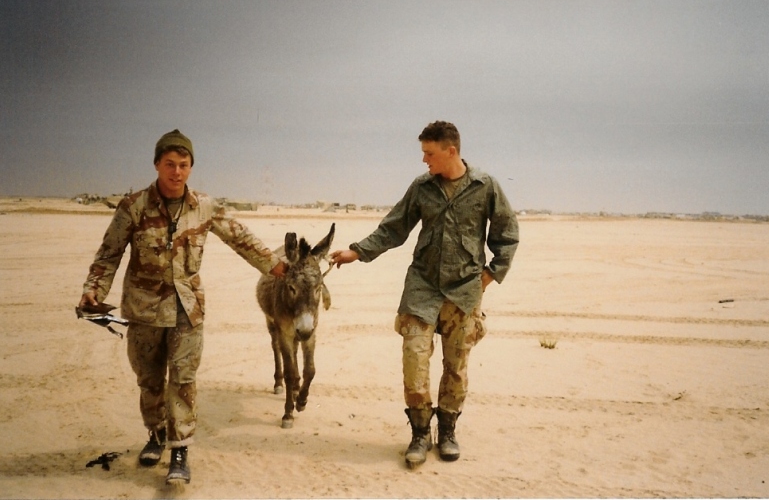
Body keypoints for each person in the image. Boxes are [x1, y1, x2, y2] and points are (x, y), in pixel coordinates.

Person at [78, 129, 287, 485]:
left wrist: (275, 265)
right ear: (157, 164)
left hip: (188, 309)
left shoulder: (204, 206)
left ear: (191, 168)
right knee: (149, 380)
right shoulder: (134, 207)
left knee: (184, 381)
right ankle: (156, 434)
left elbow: (240, 238)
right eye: (170, 164)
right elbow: (109, 253)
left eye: (184, 165)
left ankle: (180, 450)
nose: (176, 172)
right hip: (143, 310)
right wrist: (93, 290)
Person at [331, 120, 519, 468]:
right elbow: (394, 227)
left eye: (429, 153)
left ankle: (447, 431)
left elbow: (507, 235)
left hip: (464, 292)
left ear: (451, 151)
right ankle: (420, 433)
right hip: (421, 288)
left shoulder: (485, 186)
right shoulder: (422, 187)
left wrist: (490, 276)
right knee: (414, 361)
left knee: (456, 367)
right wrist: (357, 252)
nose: (424, 161)